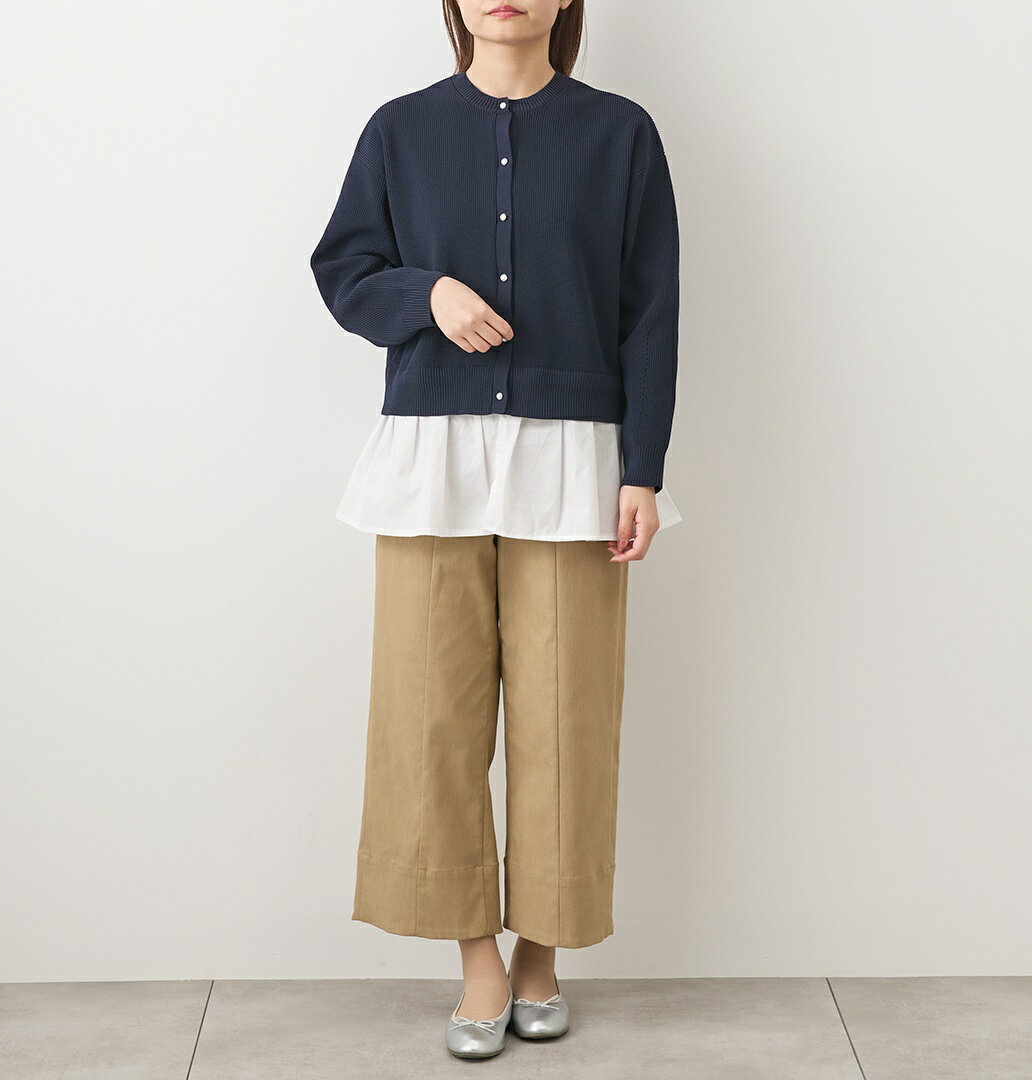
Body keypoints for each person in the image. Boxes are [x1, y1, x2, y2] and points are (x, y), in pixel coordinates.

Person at [309, 0, 681, 1060]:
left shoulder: (619, 134)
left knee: (568, 721)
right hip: (431, 461)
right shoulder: (400, 129)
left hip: (574, 463)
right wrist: (425, 293)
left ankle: (541, 955)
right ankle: (477, 958)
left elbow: (652, 309)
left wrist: (643, 469)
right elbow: (343, 270)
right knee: (429, 718)